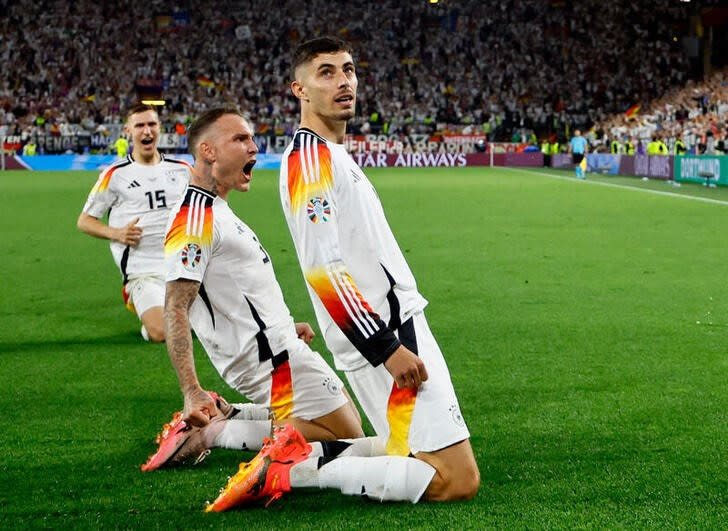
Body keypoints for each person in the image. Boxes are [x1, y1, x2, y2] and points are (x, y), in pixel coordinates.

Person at [205, 36, 479, 511]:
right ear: (300, 90)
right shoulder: (308, 159)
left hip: (394, 325)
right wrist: (387, 349)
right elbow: (322, 271)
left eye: (348, 70)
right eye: (326, 72)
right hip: (383, 334)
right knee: (455, 480)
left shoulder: (330, 153)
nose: (344, 81)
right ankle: (295, 471)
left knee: (417, 456)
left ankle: (296, 457)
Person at [155, 105, 363, 472]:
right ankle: (210, 434)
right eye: (240, 138)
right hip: (269, 358)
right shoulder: (194, 220)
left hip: (275, 346)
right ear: (208, 151)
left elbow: (235, 287)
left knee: (339, 420)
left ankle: (229, 414)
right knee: (347, 438)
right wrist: (190, 390)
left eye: (251, 138)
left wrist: (283, 324)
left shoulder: (214, 208)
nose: (254, 147)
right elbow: (175, 306)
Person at [77, 103, 192, 342]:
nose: (146, 131)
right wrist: (116, 233)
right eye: (140, 125)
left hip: (185, 266)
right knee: (162, 332)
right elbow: (85, 221)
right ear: (128, 131)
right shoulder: (115, 174)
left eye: (151, 124)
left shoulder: (182, 170)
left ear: (160, 128)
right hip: (143, 272)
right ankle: (150, 320)